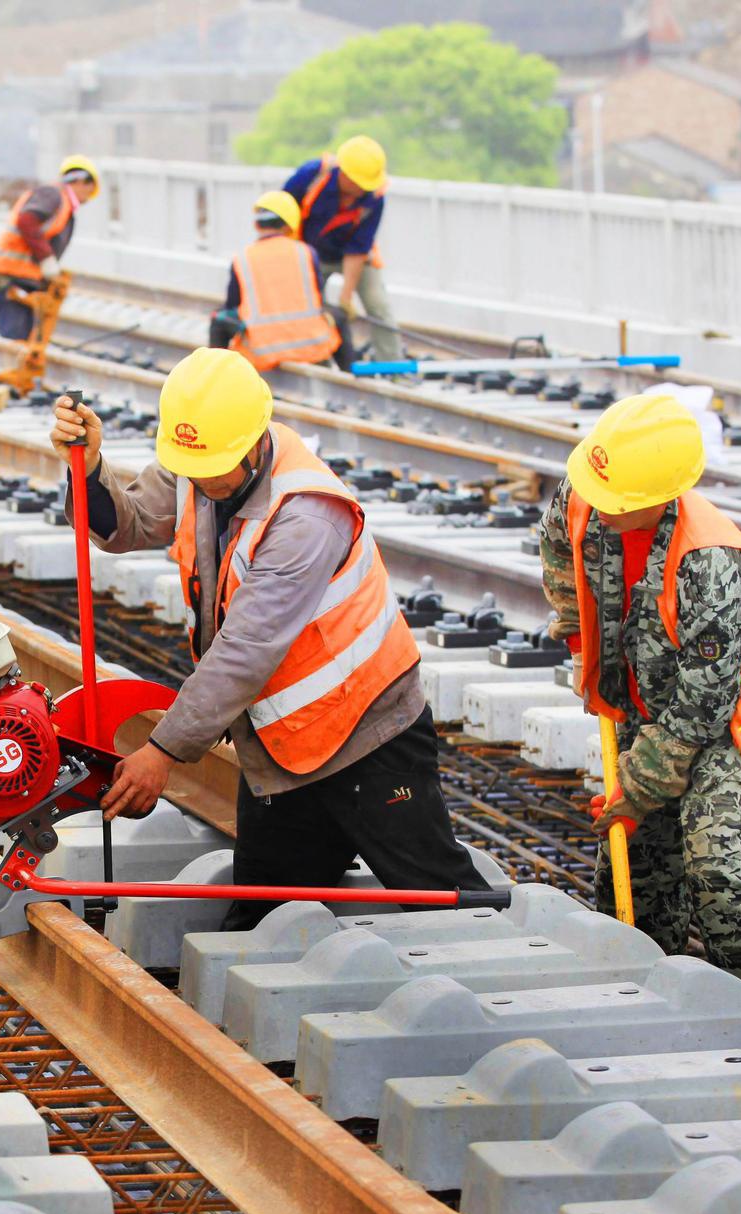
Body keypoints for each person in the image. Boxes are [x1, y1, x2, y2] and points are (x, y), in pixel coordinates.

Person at [51, 348, 483, 925]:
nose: (201, 482)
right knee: (261, 920)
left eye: (213, 469)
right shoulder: (202, 460)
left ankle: (519, 988)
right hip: (284, 746)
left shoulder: (306, 515)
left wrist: (162, 753)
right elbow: (127, 523)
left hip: (366, 735)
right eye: (191, 468)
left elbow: (245, 652)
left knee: (438, 897)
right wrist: (87, 468)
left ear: (255, 441)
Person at [538, 393, 741, 1018]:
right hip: (647, 704)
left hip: (731, 722)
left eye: (615, 504)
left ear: (657, 500)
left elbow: (699, 713)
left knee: (716, 877)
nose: (597, 507)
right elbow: (557, 552)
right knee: (633, 866)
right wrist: (579, 629)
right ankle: (641, 1008)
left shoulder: (713, 562)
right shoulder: (589, 487)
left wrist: (642, 782)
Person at [281, 135, 399, 362]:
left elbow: (357, 249)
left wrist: (346, 296)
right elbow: (281, 211)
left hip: (353, 256)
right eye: (359, 184)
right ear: (344, 174)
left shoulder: (374, 197)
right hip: (310, 255)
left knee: (378, 304)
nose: (363, 190)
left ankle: (393, 366)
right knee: (311, 308)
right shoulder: (312, 176)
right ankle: (317, 358)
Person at [209, 190, 349, 373]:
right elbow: (319, 302)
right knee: (339, 314)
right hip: (310, 346)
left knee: (218, 319)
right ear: (289, 225)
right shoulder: (305, 253)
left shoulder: (243, 259)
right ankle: (348, 375)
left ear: (257, 225)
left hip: (261, 350)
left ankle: (214, 377)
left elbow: (231, 306)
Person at [0, 154, 98, 341]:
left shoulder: (61, 203)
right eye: (90, 191)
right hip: (12, 275)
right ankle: (11, 369)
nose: (88, 199)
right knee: (15, 338)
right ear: (81, 181)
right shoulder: (52, 195)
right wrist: (46, 258)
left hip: (22, 277)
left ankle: (16, 368)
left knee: (23, 339)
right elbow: (27, 221)